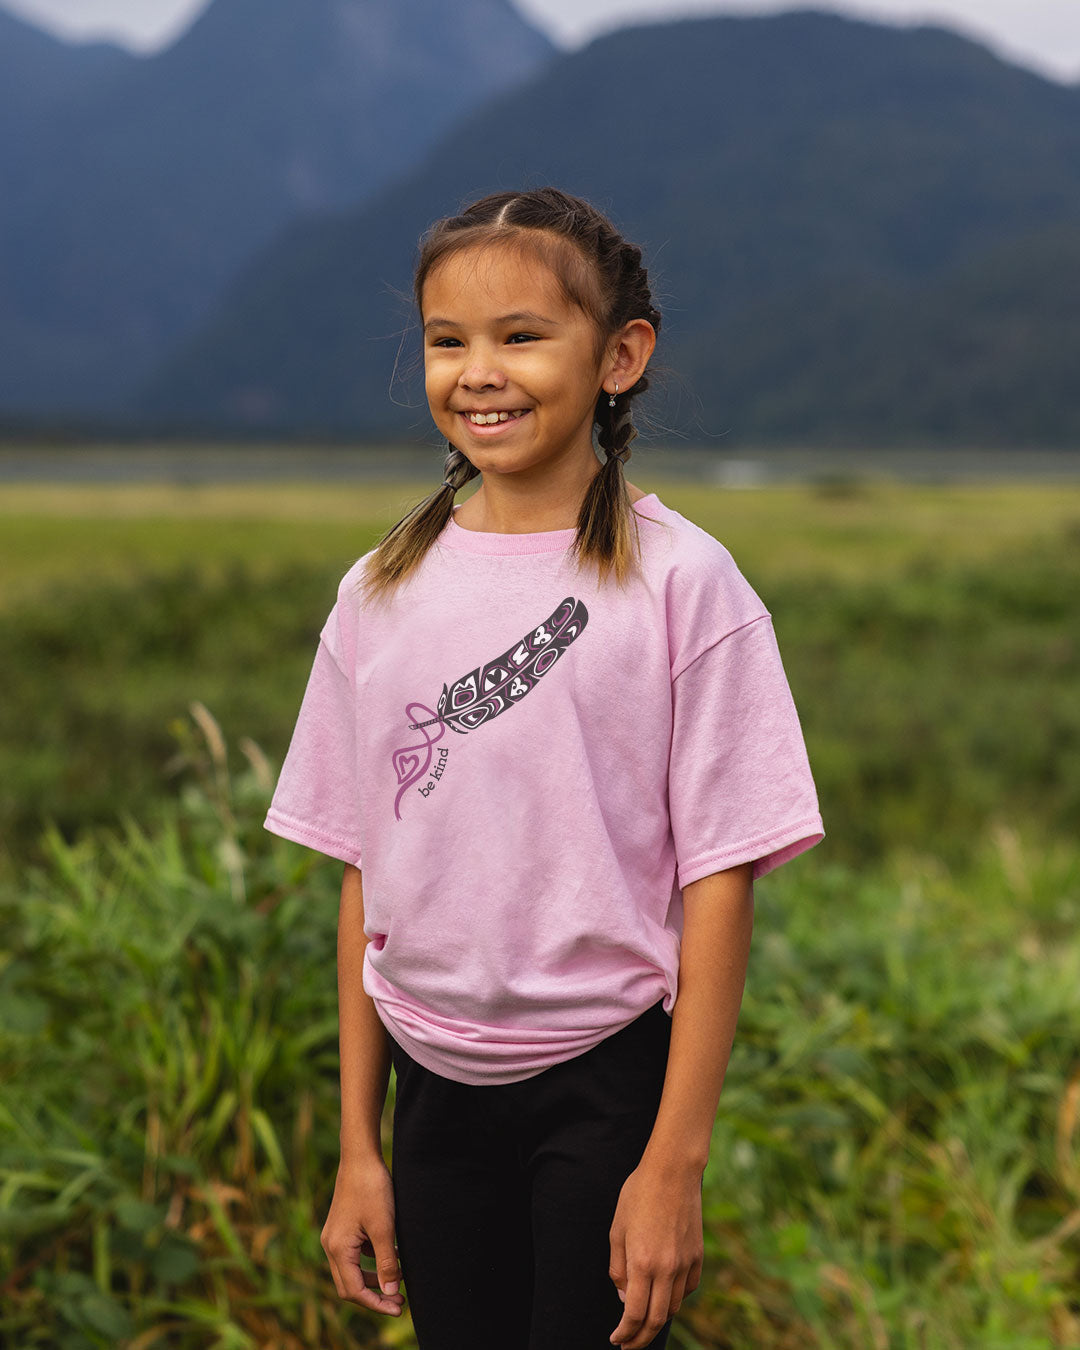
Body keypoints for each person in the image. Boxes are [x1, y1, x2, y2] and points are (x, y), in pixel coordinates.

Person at [263, 186, 823, 1350]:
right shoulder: (379, 591)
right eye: (447, 340)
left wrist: (675, 1159)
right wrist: (359, 1150)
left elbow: (720, 879)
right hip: (430, 1089)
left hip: (607, 1085)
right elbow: (368, 872)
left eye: (521, 336)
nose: (480, 372)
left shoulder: (684, 584)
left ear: (620, 356)